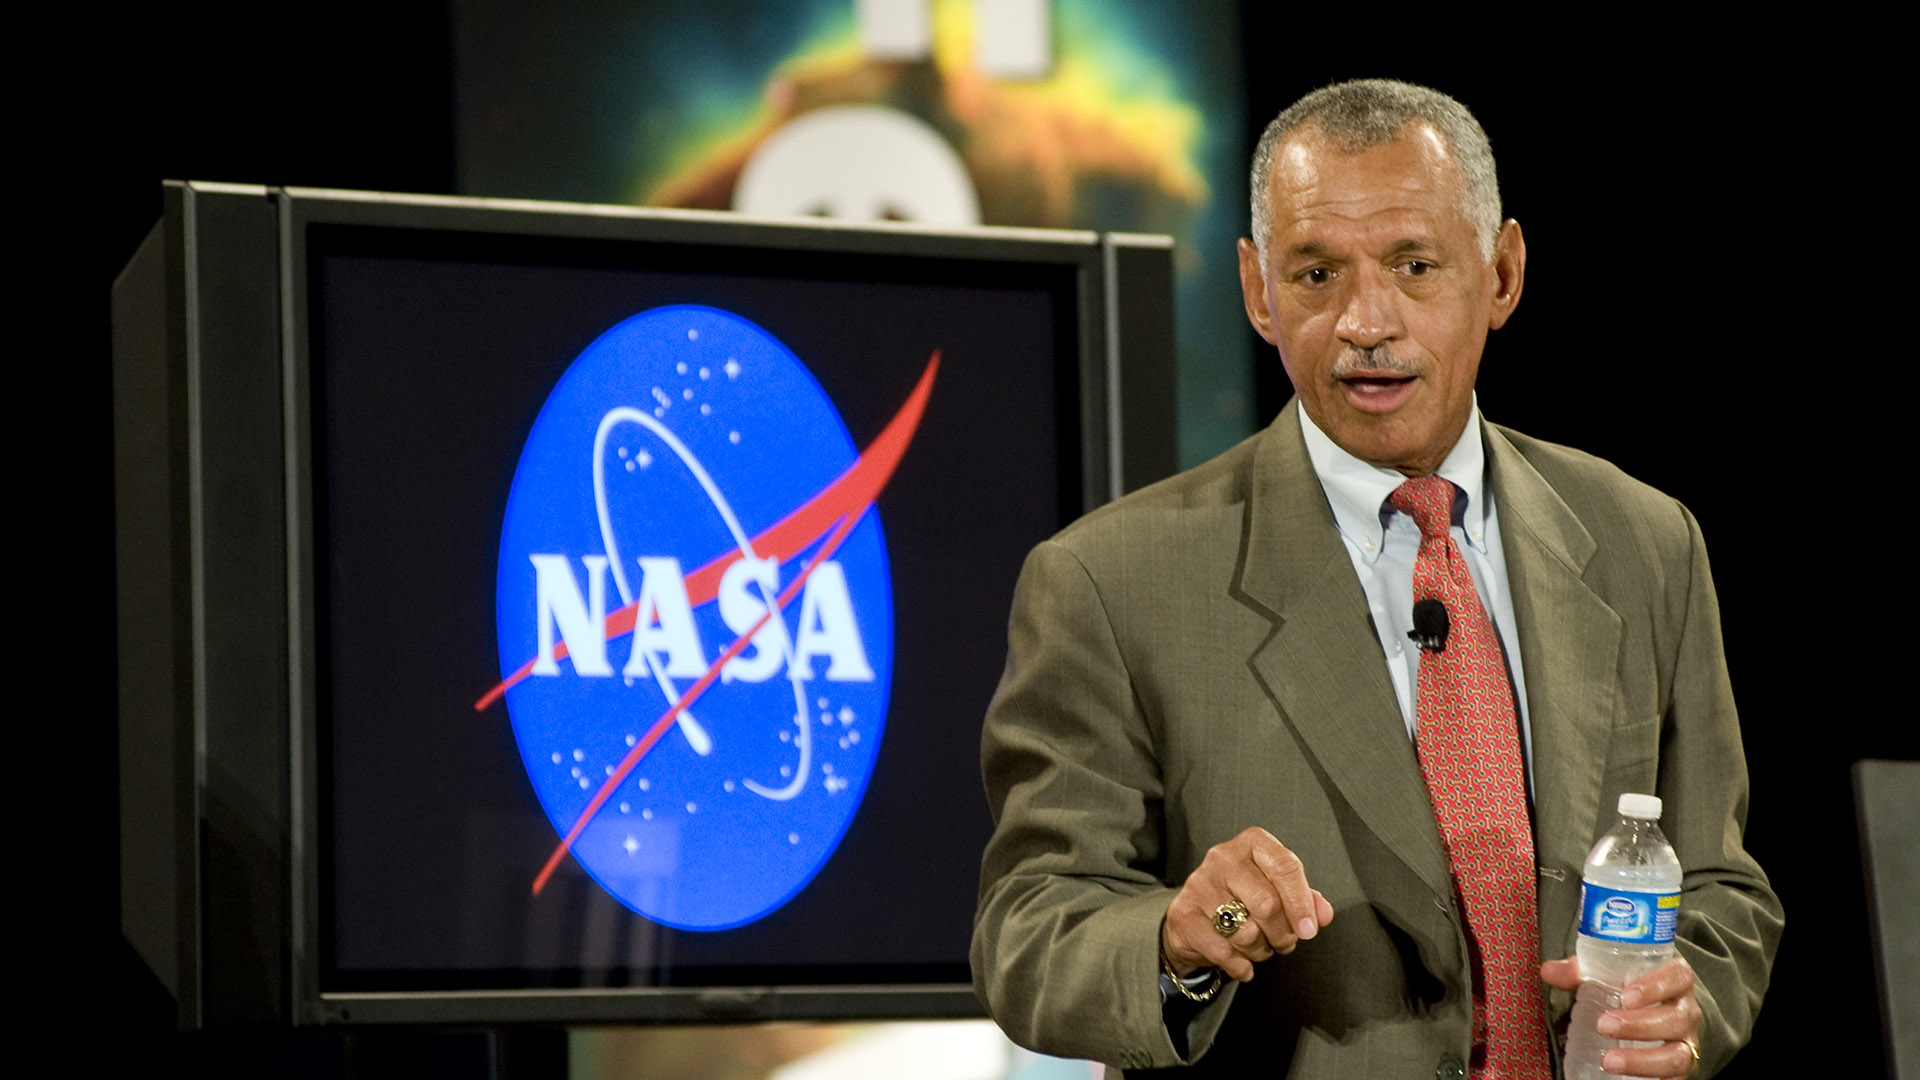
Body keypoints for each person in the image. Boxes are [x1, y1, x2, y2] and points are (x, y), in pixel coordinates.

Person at [971, 79, 1782, 1079]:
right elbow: (1029, 933)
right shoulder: (1109, 581)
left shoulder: (1645, 542)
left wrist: (1683, 1006)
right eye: (1316, 274)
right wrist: (1180, 939)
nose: (1367, 320)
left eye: (1413, 265)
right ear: (1259, 291)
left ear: (1501, 273)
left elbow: (1720, 887)